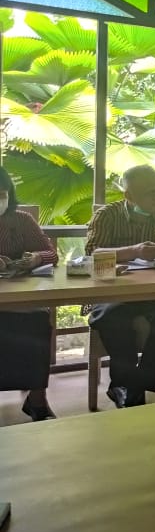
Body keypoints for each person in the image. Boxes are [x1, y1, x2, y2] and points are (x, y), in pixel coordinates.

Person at [86, 165, 155, 408]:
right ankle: (125, 385)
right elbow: (92, 254)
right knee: (111, 316)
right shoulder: (108, 215)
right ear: (129, 196)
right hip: (117, 291)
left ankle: (132, 387)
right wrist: (134, 251)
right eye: (150, 193)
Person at [0, 167, 59, 421]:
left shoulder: (21, 220)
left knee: (37, 320)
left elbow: (52, 254)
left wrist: (35, 258)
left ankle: (37, 400)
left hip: (20, 300)